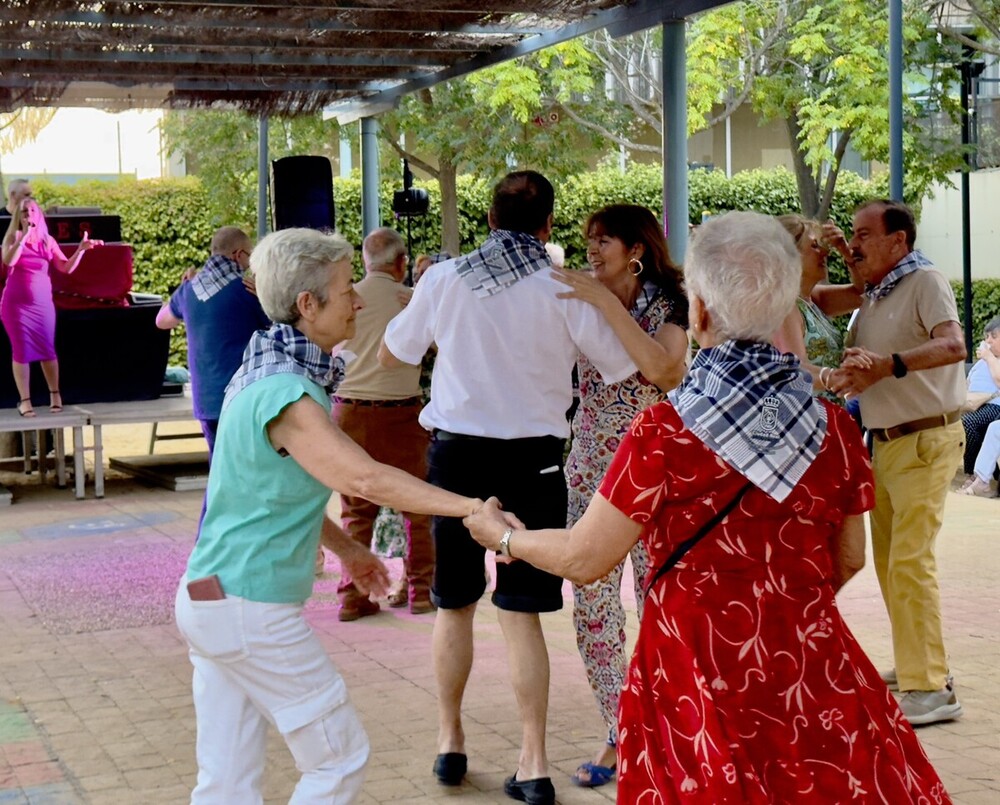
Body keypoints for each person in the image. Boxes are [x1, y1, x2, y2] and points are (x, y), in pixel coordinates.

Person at [464, 210, 951, 804]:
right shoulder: (834, 431)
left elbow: (586, 558)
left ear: (698, 313)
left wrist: (504, 537)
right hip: (811, 668)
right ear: (783, 309)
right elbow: (847, 559)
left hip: (690, 676)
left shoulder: (663, 433)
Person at [174, 227, 487, 804]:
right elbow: (360, 477)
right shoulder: (287, 390)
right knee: (338, 760)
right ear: (308, 305)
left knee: (225, 782)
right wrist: (469, 507)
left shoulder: (263, 369)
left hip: (212, 599)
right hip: (249, 608)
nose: (359, 300)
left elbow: (272, 490)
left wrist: (350, 550)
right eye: (348, 290)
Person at [379, 171, 639, 804]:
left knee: (454, 603)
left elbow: (392, 354)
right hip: (536, 464)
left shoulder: (444, 279)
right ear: (548, 227)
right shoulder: (565, 289)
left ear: (489, 220)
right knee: (523, 616)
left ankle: (449, 742)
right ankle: (534, 764)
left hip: (456, 460)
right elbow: (620, 367)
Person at [550, 204, 688, 787]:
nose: (592, 250)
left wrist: (604, 301)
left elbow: (665, 370)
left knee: (663, 602)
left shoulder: (671, 301)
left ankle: (672, 728)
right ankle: (620, 731)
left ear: (636, 248)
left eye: (603, 240)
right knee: (595, 607)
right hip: (591, 472)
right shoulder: (573, 299)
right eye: (589, 240)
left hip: (659, 473)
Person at [828, 199, 967, 725]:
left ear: (898, 243)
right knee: (893, 566)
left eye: (864, 235)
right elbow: (854, 294)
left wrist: (889, 366)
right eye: (853, 236)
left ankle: (931, 689)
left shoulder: (925, 280)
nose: (855, 243)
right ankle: (922, 666)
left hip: (925, 441)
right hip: (886, 443)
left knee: (910, 563)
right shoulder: (881, 289)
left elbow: (953, 345)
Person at [332, 227, 435, 619]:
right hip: (401, 414)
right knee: (417, 508)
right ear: (401, 263)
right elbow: (440, 344)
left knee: (356, 511)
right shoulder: (410, 300)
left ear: (364, 261)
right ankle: (421, 592)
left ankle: (352, 597)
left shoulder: (347, 298)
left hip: (350, 416)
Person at [156, 226, 270, 459]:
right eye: (250, 255)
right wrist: (267, 297)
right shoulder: (249, 291)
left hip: (205, 398)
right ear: (238, 255)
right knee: (246, 468)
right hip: (243, 397)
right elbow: (282, 327)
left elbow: (162, 321)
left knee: (219, 467)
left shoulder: (189, 290)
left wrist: (181, 288)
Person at [1, 198, 102, 417]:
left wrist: (81, 250)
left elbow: (65, 267)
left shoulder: (48, 241)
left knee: (47, 349)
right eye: (23, 213)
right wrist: (25, 236)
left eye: (31, 211)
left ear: (38, 214)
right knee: (21, 351)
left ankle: (55, 394)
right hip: (15, 306)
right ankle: (25, 401)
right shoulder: (13, 237)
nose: (28, 215)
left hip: (42, 305)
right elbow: (9, 261)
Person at [772, 214, 861, 393]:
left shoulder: (810, 299)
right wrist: (842, 377)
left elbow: (864, 292)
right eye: (815, 245)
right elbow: (794, 371)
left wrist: (846, 252)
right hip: (806, 417)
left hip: (821, 414)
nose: (826, 252)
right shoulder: (785, 307)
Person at [958, 316, 1000, 484]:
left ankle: (974, 474)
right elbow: (967, 384)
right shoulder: (980, 363)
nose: (988, 341)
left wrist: (989, 357)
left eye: (994, 337)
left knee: (968, 424)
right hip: (974, 404)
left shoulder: (991, 359)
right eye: (986, 337)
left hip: (994, 406)